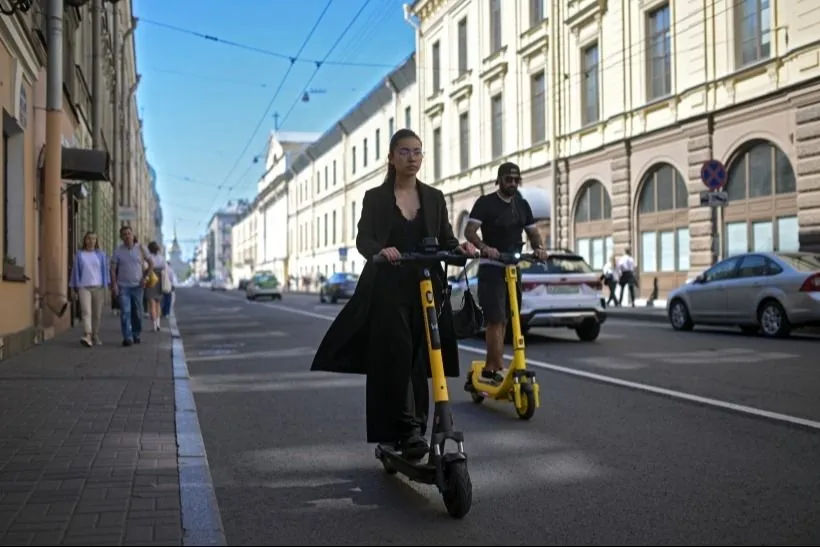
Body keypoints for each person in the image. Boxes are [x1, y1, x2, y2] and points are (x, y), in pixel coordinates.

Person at [310, 129, 477, 461]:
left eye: (417, 151)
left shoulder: (434, 197)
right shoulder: (375, 198)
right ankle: (405, 430)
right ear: (390, 157)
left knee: (424, 358)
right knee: (397, 355)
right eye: (404, 151)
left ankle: (416, 427)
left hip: (428, 287)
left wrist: (461, 248)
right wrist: (381, 250)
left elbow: (444, 240)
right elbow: (363, 240)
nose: (412, 157)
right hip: (388, 288)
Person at [463, 162, 548, 385]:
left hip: (513, 267)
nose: (512, 183)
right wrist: (485, 248)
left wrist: (538, 248)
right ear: (499, 180)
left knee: (510, 319)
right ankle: (492, 367)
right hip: (492, 267)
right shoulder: (485, 203)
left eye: (515, 180)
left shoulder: (522, 205)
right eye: (507, 179)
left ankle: (499, 363)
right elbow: (470, 231)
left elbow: (533, 233)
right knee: (496, 318)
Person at [110, 226, 154, 346]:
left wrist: (145, 278)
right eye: (124, 234)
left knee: (138, 313)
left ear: (133, 235)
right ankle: (127, 337)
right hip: (123, 286)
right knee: (125, 311)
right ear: (121, 237)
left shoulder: (140, 248)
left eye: (129, 233)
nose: (127, 236)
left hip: (138, 286)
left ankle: (136, 334)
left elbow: (151, 263)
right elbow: (113, 269)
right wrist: (114, 284)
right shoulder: (118, 251)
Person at [68, 231, 110, 347]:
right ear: (84, 241)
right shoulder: (80, 255)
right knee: (86, 312)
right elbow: (75, 272)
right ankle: (87, 335)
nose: (91, 241)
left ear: (96, 241)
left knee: (96, 314)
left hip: (99, 287)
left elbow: (105, 271)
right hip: (83, 287)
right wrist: (74, 286)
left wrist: (106, 286)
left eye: (93, 239)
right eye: (88, 239)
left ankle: (95, 335)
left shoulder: (101, 255)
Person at [145, 241, 167, 331]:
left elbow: (146, 267)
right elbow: (164, 268)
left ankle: (154, 325)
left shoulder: (148, 257)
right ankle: (158, 324)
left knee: (152, 304)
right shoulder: (161, 258)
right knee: (158, 303)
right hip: (159, 280)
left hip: (151, 279)